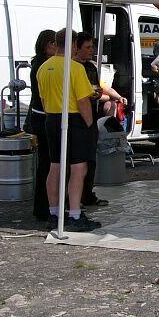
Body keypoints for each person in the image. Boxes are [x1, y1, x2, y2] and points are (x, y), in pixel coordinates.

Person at [37, 28, 101, 232]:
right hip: (73, 119)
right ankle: (74, 214)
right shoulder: (74, 68)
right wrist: (89, 124)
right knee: (78, 168)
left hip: (52, 118)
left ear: (56, 43)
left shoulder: (43, 68)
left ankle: (54, 212)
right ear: (73, 44)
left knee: (55, 166)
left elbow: (44, 101)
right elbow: (83, 101)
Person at [73, 32, 111, 208]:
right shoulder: (73, 67)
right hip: (78, 119)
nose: (91, 51)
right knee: (76, 163)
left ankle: (87, 194)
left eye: (92, 47)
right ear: (76, 48)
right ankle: (73, 199)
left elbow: (97, 89)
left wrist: (97, 94)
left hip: (91, 116)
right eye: (87, 47)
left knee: (90, 160)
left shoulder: (90, 67)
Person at [28, 29, 56, 221]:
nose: (55, 47)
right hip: (42, 116)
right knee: (47, 163)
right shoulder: (43, 65)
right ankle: (44, 206)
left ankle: (43, 206)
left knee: (46, 163)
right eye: (53, 43)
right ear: (46, 45)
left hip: (39, 116)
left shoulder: (38, 63)